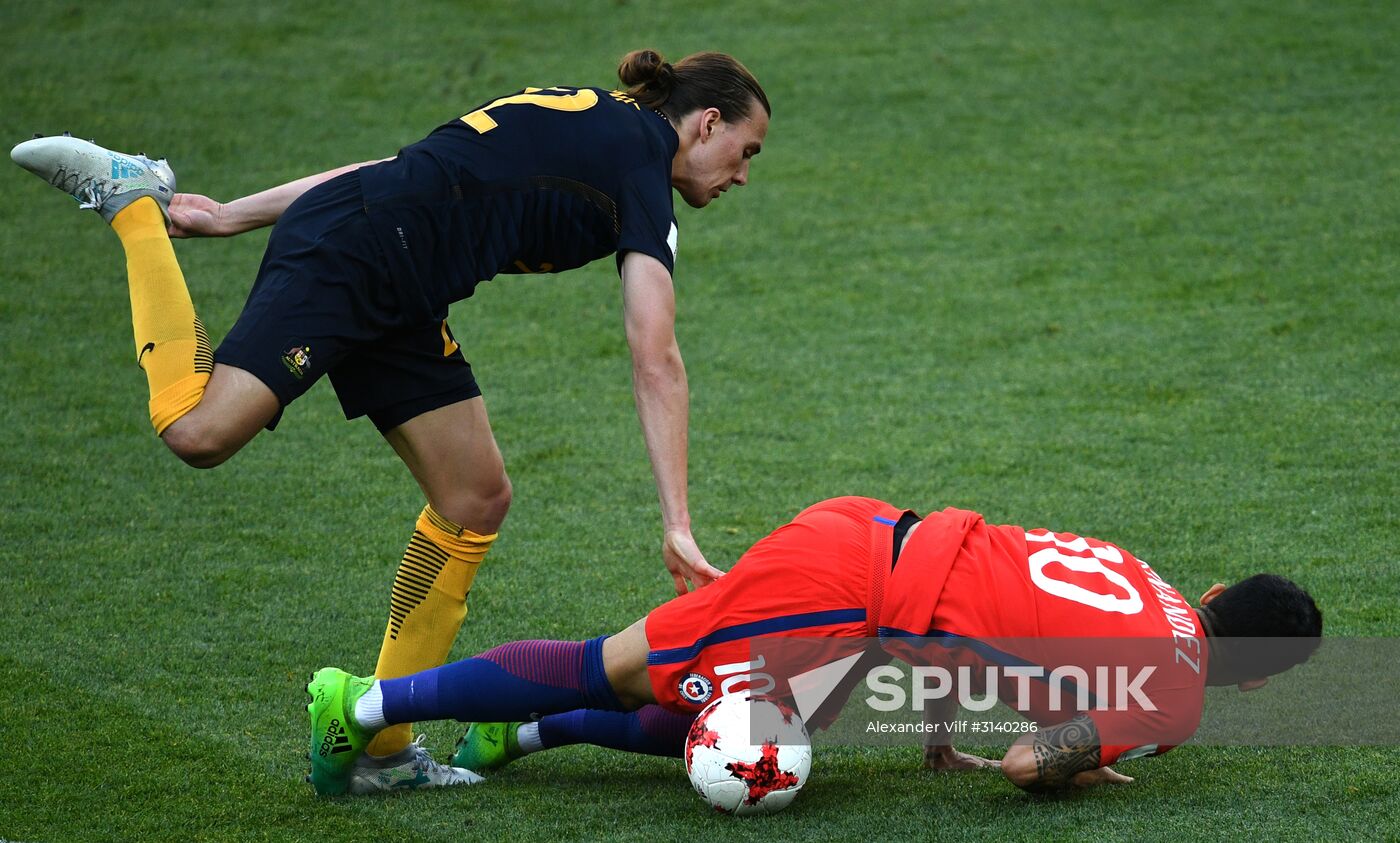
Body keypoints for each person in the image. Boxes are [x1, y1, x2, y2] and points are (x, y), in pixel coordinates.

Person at [11, 49, 769, 792]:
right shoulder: (641, 165)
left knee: (475, 494)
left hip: (395, 276)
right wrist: (677, 519)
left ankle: (382, 743)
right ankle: (132, 205)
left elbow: (396, 166)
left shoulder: (601, 125)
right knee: (198, 430)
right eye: (745, 151)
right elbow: (655, 354)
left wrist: (235, 215)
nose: (741, 174)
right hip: (358, 259)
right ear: (706, 123)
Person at [305, 495, 1323, 796]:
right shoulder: (1180, 698)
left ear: (1214, 592)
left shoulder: (1139, 573)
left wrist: (932, 736)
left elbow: (977, 601)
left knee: (760, 728)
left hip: (872, 547)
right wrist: (1077, 761)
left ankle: (515, 740)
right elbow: (1023, 762)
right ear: (1255, 676)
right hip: (837, 597)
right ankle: (357, 708)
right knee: (610, 665)